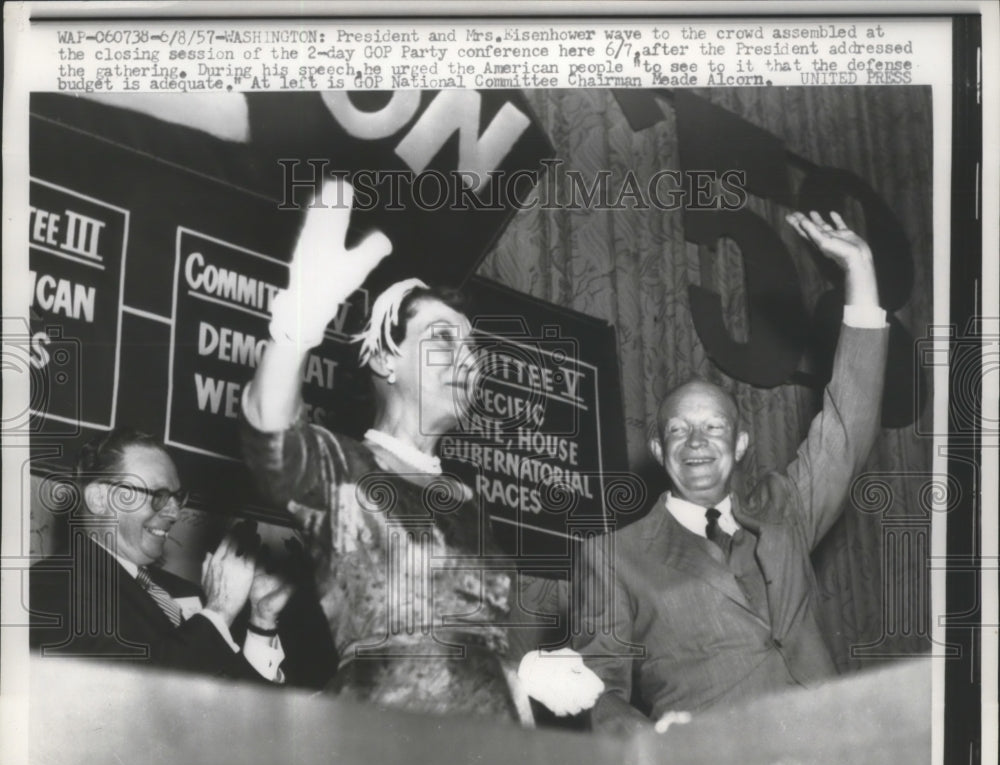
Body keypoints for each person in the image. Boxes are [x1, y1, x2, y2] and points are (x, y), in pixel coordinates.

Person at [241, 179, 603, 722]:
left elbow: (473, 639)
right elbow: (271, 434)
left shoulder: (464, 496)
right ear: (386, 360)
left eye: (472, 346)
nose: (469, 360)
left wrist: (521, 679)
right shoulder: (345, 470)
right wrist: (296, 325)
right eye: (442, 339)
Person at [573, 210, 889, 733]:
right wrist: (654, 745)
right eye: (679, 430)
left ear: (740, 443)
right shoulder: (613, 556)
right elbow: (596, 690)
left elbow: (847, 425)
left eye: (714, 428)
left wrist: (860, 272)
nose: (697, 442)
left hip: (834, 750)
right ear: (657, 447)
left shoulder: (785, 509)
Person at [30, 428, 294, 682]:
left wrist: (261, 621)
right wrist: (219, 612)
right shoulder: (47, 588)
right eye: (158, 495)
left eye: (177, 497)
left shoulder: (183, 591)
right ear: (100, 498)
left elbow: (241, 709)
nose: (174, 513)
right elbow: (124, 702)